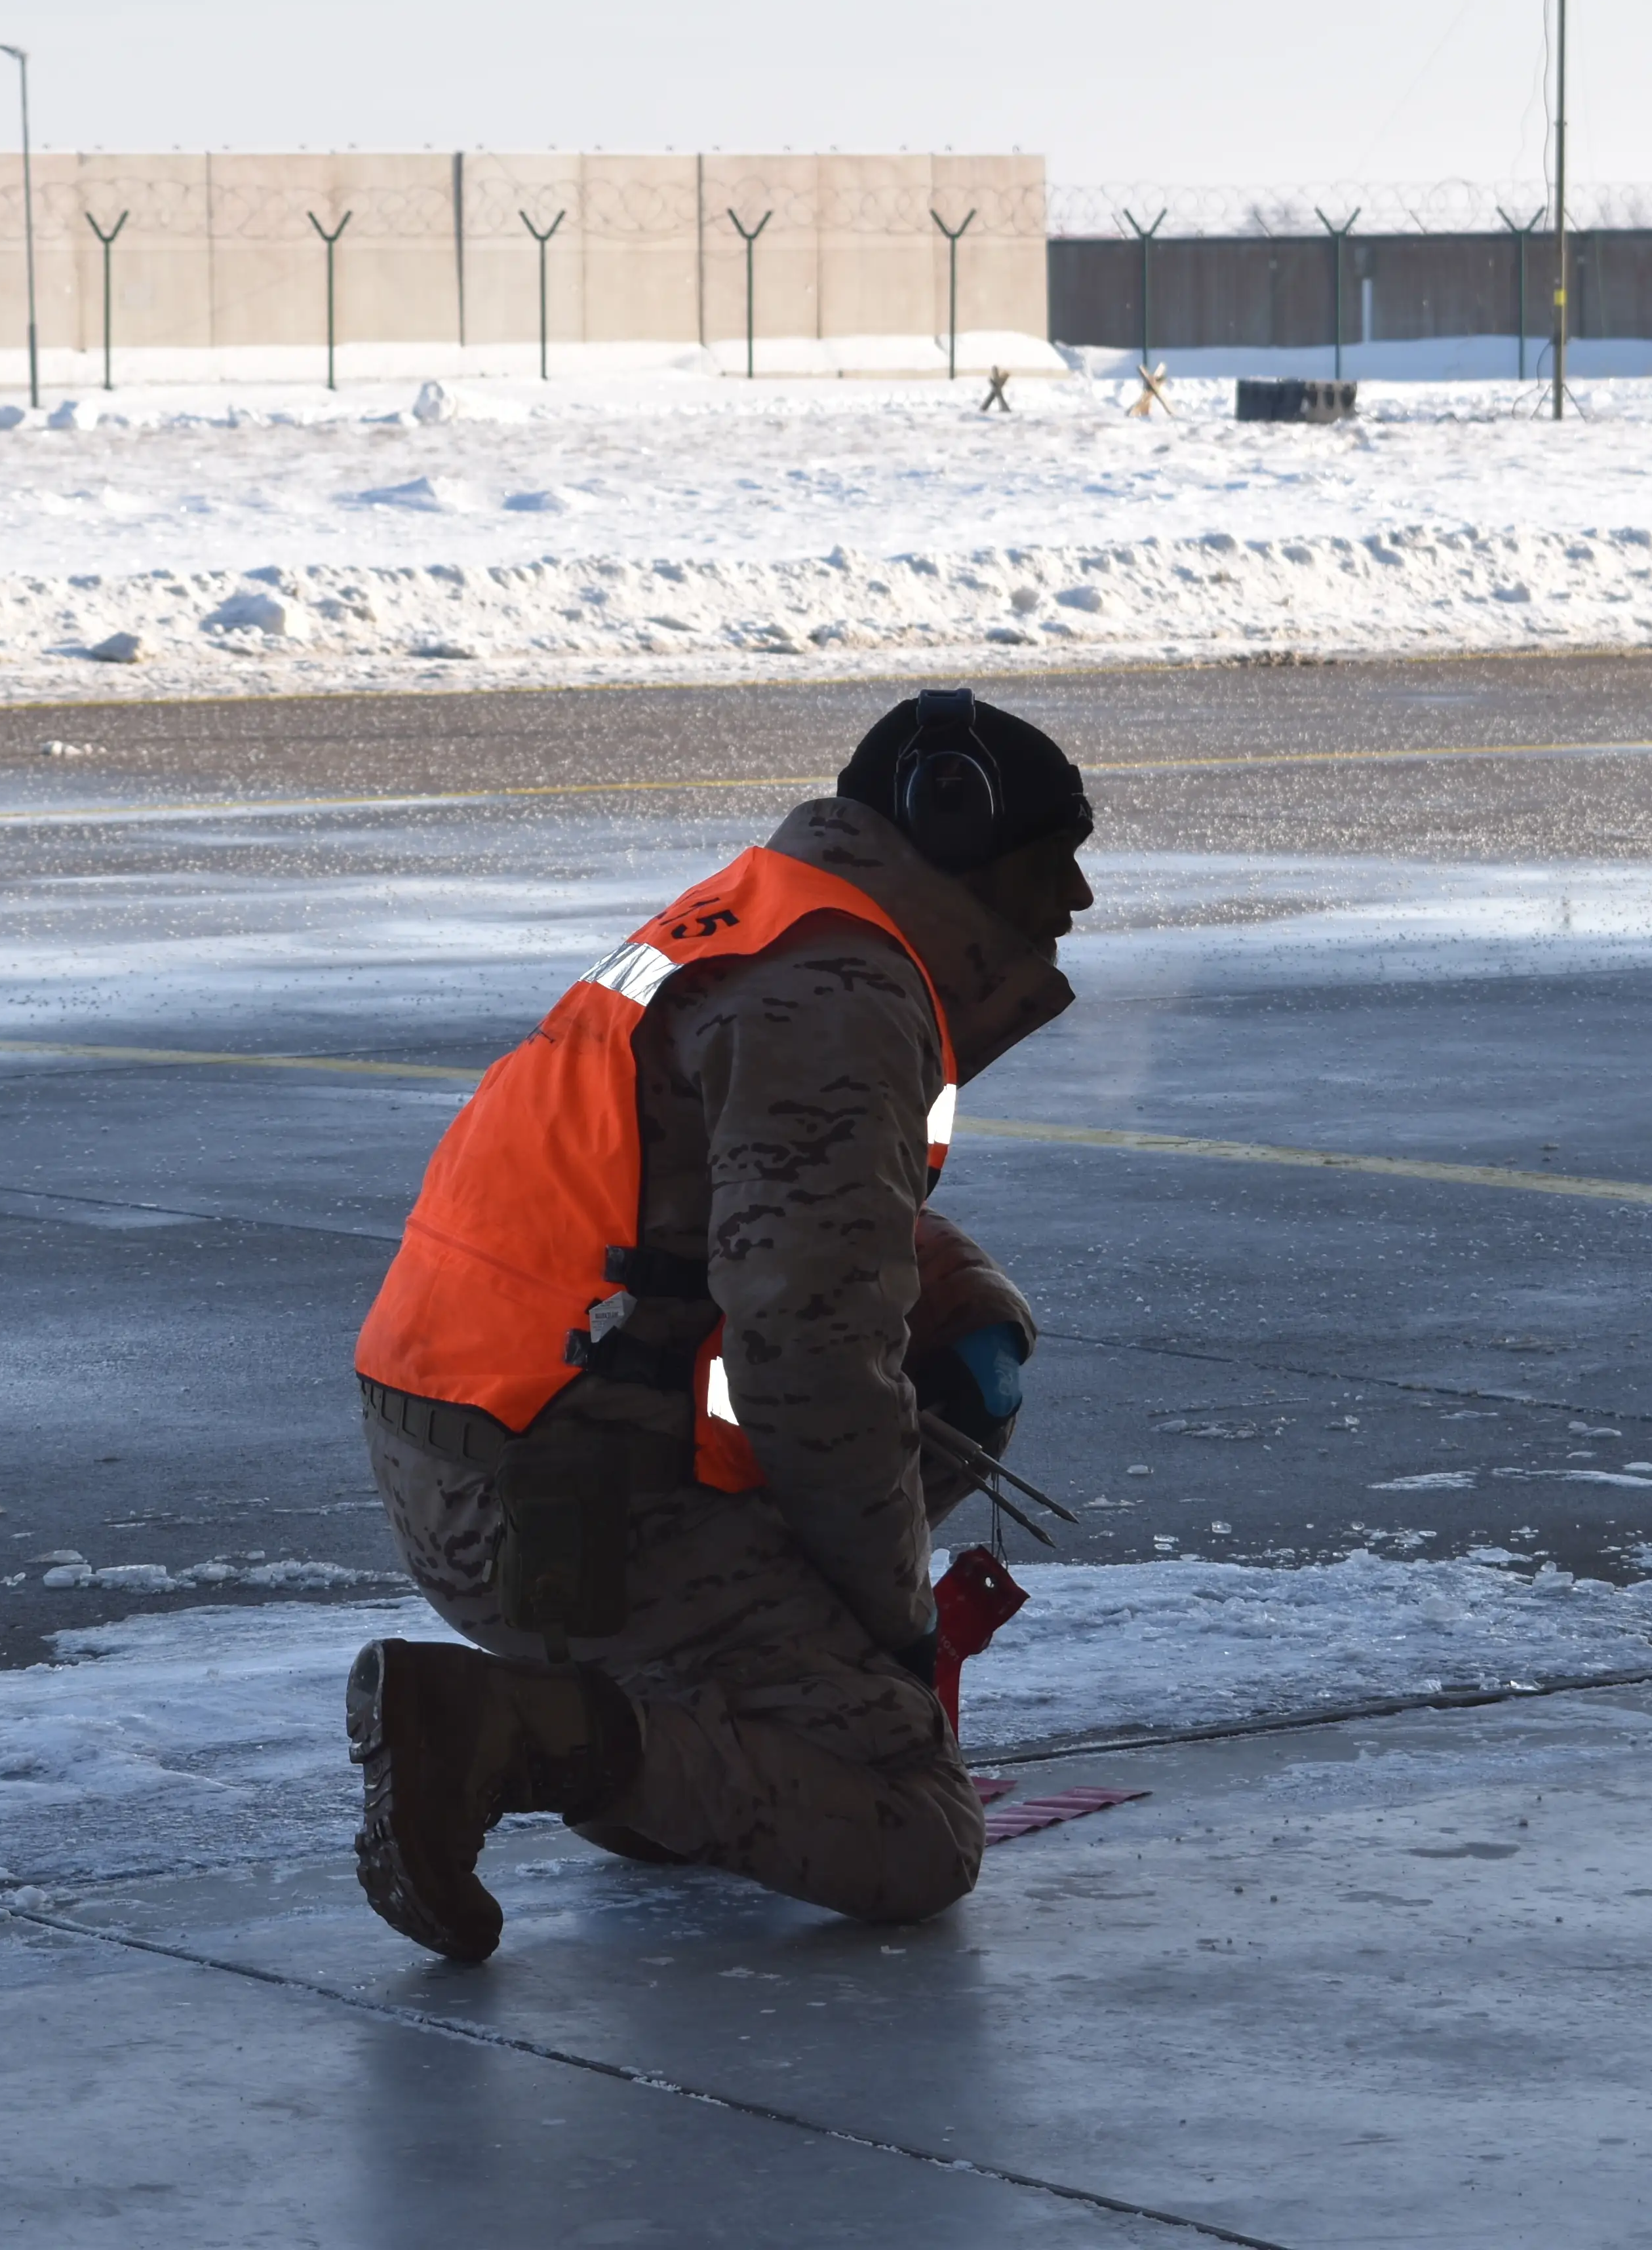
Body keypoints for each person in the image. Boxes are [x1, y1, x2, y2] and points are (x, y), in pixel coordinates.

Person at [345, 687, 1093, 1963]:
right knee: (916, 1830)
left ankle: (638, 1713)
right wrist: (894, 1616)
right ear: (955, 830)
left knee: (957, 1317)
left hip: (476, 1437)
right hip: (554, 1501)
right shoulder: (841, 998)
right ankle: (508, 1727)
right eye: (1052, 856)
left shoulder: (774, 915)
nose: (1076, 897)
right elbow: (805, 1353)